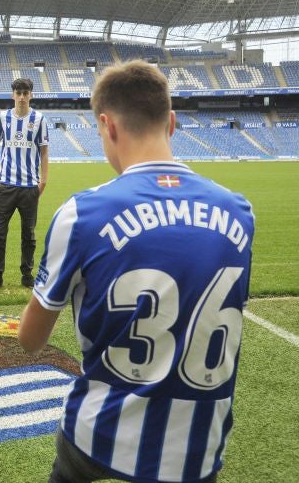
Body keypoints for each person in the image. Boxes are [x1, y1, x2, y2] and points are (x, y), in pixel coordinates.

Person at [18, 60, 254, 483]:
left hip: (99, 439)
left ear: (107, 126)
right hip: (196, 450)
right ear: (173, 123)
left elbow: (30, 340)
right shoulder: (239, 212)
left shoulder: (83, 213)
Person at [0, 77, 49, 289]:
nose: (21, 97)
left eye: (25, 93)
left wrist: (43, 181)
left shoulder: (39, 119)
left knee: (29, 235)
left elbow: (44, 151)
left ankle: (27, 275)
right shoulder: (3, 117)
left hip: (29, 187)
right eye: (18, 93)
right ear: (13, 95)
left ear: (31, 95)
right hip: (5, 185)